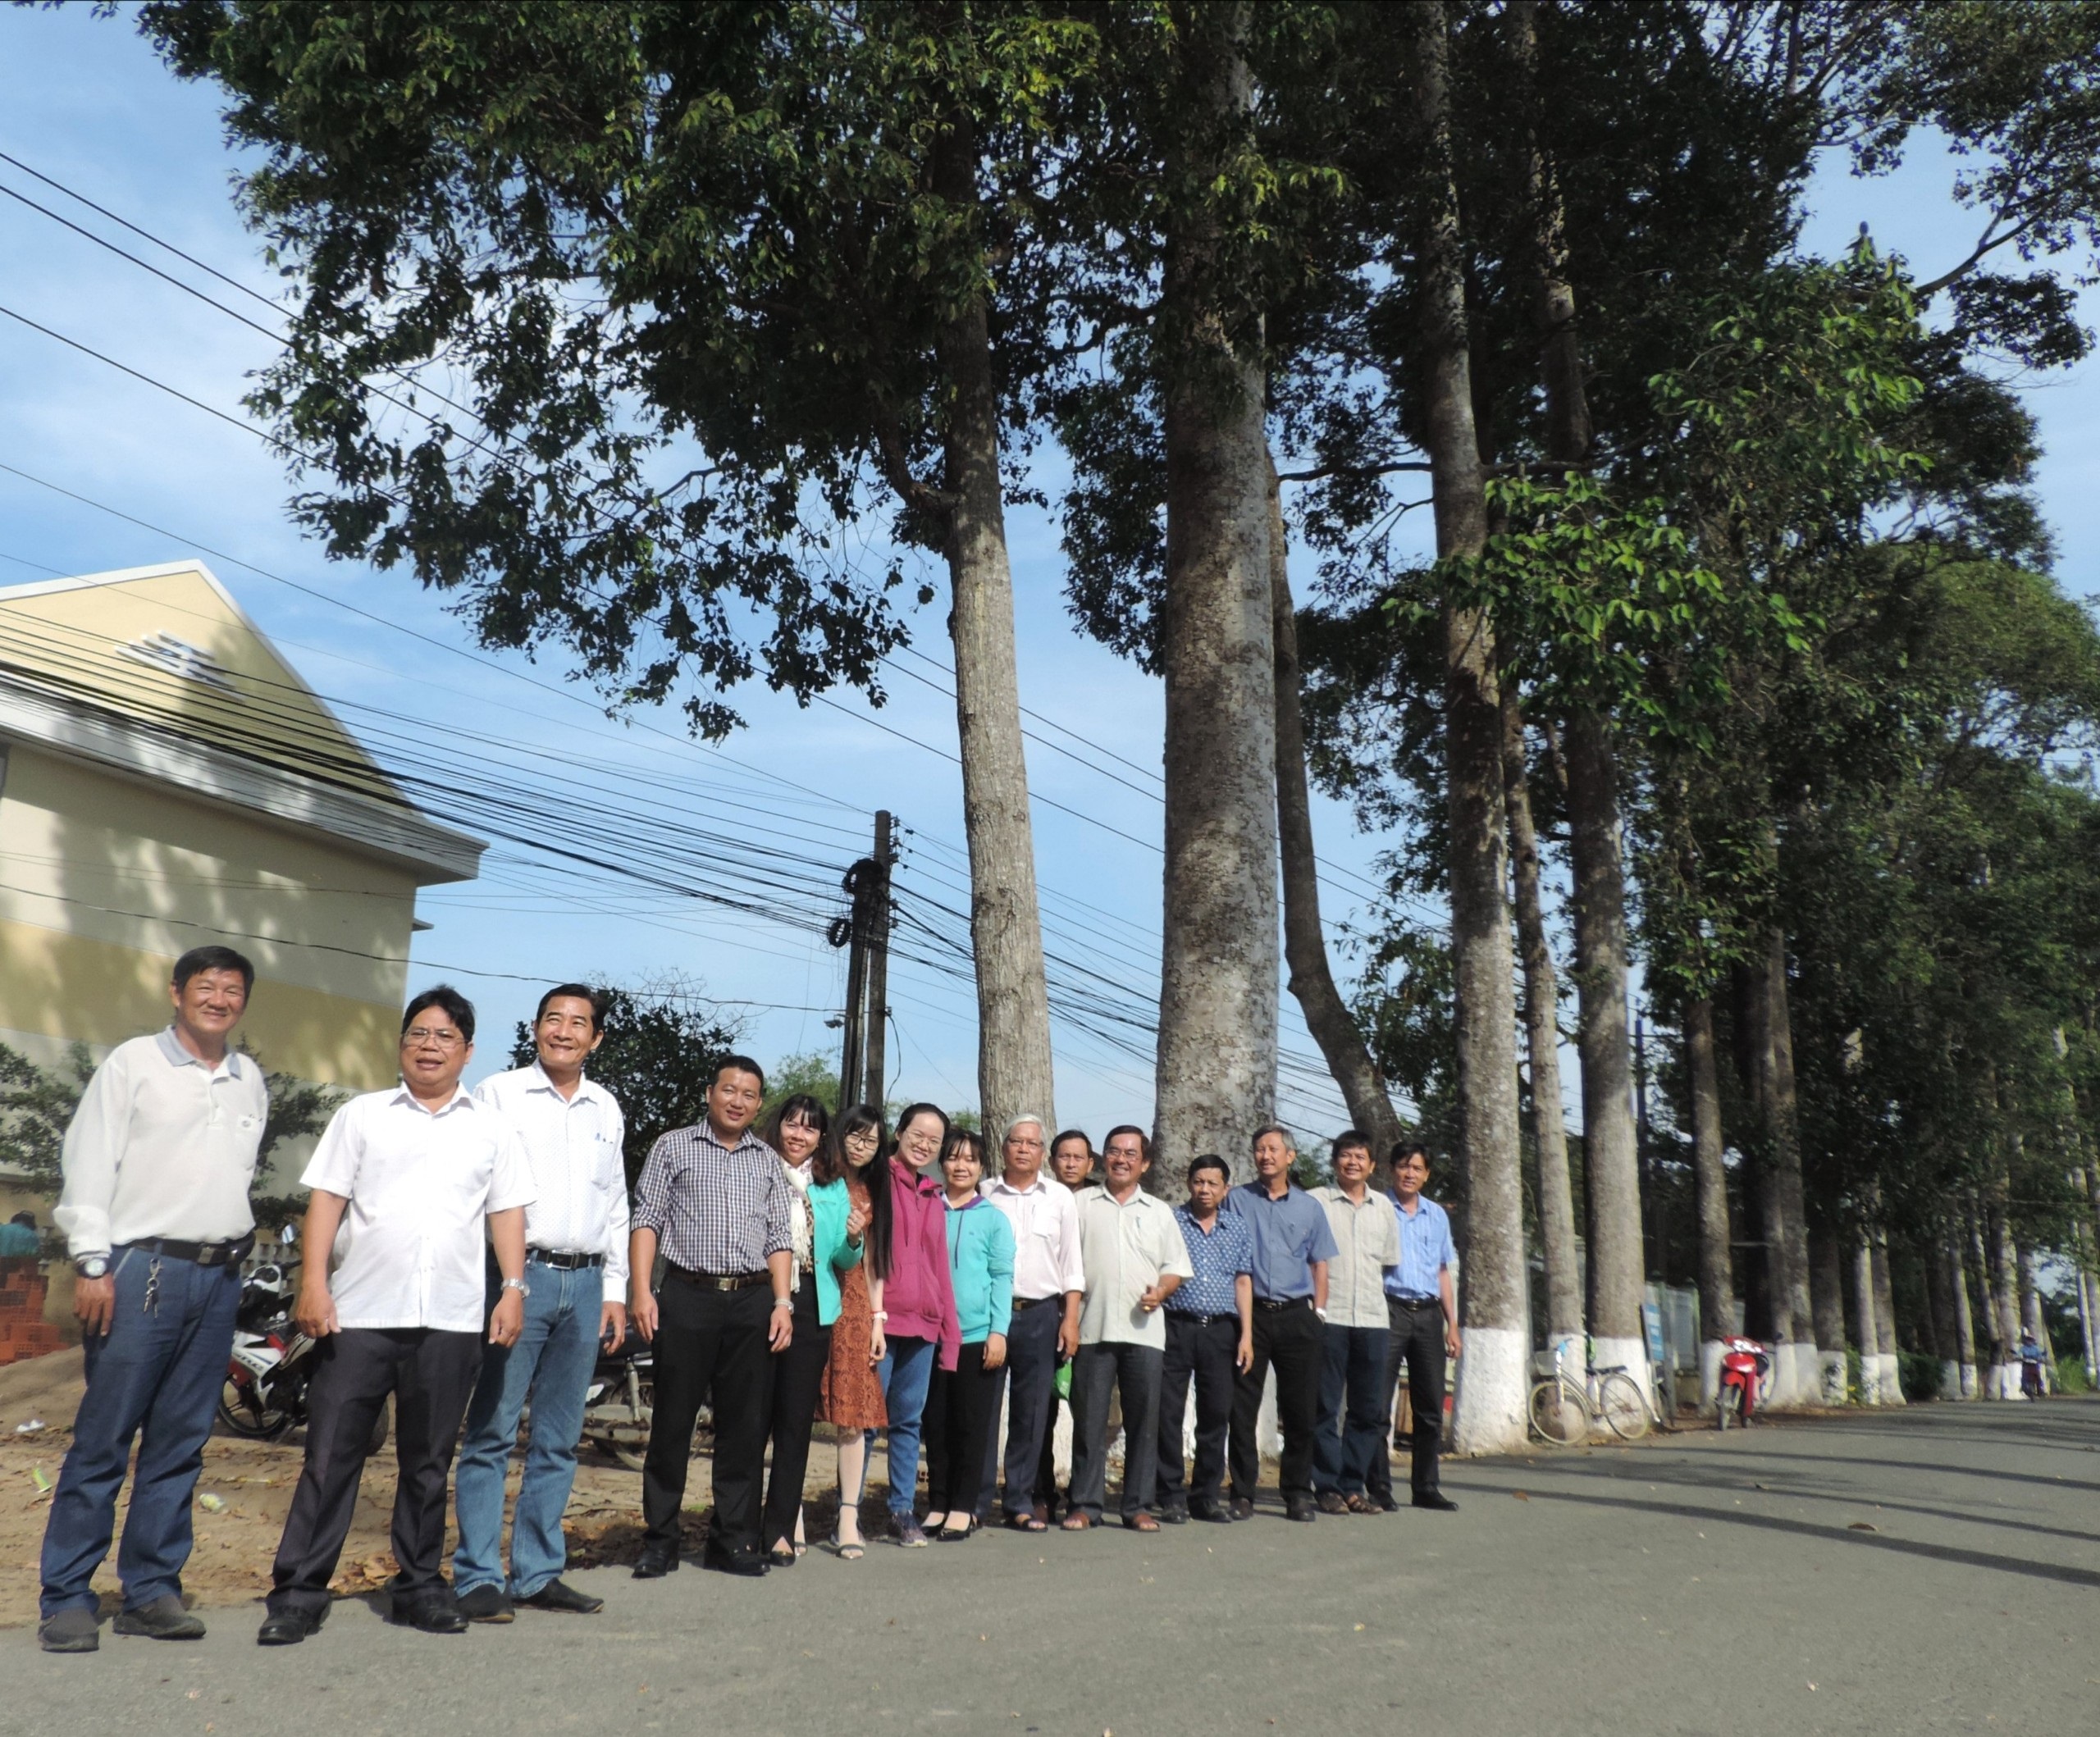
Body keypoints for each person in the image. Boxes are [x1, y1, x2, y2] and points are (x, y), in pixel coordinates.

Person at [261, 986, 535, 1644]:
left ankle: (418, 1585)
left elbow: (506, 1213)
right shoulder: (363, 1116)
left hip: (450, 1316)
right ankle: (299, 1591)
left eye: (445, 1036)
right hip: (358, 1313)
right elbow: (326, 1200)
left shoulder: (492, 1128)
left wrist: (514, 1287)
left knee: (428, 1461)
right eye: (419, 1033)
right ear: (402, 1043)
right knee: (330, 1456)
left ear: (468, 1051)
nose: (429, 1045)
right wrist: (313, 1284)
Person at [38, 946, 267, 1654]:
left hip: (217, 1278)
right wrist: (93, 1261)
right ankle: (67, 1595)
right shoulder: (133, 1064)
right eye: (207, 986)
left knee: (180, 1443)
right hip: (141, 1272)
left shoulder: (247, 1078)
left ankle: (152, 1589)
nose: (219, 999)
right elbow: (89, 1164)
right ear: (177, 992)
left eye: (233, 990)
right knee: (105, 1438)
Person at [452, 984, 628, 1622]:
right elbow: (474, 1185)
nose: (564, 1031)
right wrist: (502, 1283)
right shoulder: (498, 1095)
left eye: (578, 1023)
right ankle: (477, 1575)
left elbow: (615, 1202)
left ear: (596, 1038)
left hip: (584, 1286)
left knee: (559, 1437)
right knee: (493, 1429)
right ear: (535, 1028)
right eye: (553, 1019)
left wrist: (615, 1291)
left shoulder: (606, 1108)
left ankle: (537, 1572)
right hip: (518, 1276)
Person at [627, 1055, 794, 1579]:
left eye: (749, 1094)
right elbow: (647, 1217)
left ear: (758, 1103)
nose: (737, 1101)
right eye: (729, 1090)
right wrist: (641, 1290)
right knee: (673, 1421)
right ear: (710, 1092)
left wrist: (783, 1302)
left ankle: (733, 1541)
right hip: (687, 1295)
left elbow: (778, 1238)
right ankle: (660, 1541)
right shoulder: (674, 1146)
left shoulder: (766, 1159)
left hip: (752, 1301)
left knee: (744, 1426)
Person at [1065, 1126, 1193, 1533]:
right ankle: (1085, 1504)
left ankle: (1138, 1505)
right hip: (1092, 1328)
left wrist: (1163, 1290)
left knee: (1143, 1421)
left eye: (1131, 1153)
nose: (1122, 1159)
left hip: (1145, 1333)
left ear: (1146, 1163)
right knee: (1089, 1422)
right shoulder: (1081, 1204)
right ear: (1102, 1158)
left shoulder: (1159, 1211)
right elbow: (1066, 1264)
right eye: (1114, 1151)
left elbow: (1176, 1267)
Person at [756, 1094, 865, 1564]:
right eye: (792, 1125)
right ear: (777, 1126)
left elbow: (842, 1258)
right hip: (758, 1299)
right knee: (753, 1418)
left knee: (796, 1421)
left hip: (813, 1305)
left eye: (810, 1129)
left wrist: (855, 1237)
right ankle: (743, 1523)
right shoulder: (756, 1167)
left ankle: (783, 1525)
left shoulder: (831, 1184)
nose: (799, 1135)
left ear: (823, 1138)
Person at [1224, 1125, 1337, 1523]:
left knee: (1301, 1410)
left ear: (1290, 1156)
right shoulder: (1237, 1200)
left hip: (1297, 1316)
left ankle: (1296, 1493)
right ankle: (1242, 1492)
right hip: (1251, 1315)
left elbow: (1320, 1262)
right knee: (1242, 1409)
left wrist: (1318, 1313)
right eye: (1259, 1149)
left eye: (1273, 1149)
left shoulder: (1310, 1207)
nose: (1265, 1155)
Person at [981, 1115, 1084, 1532]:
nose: (1024, 1149)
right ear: (1004, 1147)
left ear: (1043, 1153)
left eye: (1032, 1144)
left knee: (1033, 1413)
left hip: (1042, 1313)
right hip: (990, 1314)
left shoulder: (1059, 1197)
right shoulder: (983, 1192)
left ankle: (1020, 1501)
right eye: (1016, 1142)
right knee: (984, 1411)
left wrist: (1070, 1319)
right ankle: (974, 1499)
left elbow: (1071, 1265)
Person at [871, 1104, 961, 1545]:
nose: (924, 1144)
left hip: (924, 1326)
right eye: (917, 1134)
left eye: (934, 1140)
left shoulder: (933, 1195)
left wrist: (950, 1334)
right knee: (866, 1421)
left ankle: (901, 1510)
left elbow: (940, 1267)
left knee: (908, 1422)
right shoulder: (875, 1178)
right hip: (882, 1322)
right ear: (900, 1131)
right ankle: (846, 1512)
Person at [921, 1128, 1013, 1540]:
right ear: (942, 1163)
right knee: (935, 1423)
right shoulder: (928, 1208)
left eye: (970, 1160)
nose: (961, 1166)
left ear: (981, 1168)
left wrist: (999, 1332)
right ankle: (937, 1502)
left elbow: (1002, 1277)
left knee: (971, 1425)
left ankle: (964, 1506)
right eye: (954, 1157)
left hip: (976, 1335)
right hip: (929, 1334)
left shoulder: (993, 1218)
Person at [1157, 1154, 1253, 1524]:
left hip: (1221, 1331)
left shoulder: (1237, 1227)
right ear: (1188, 1183)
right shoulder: (1171, 1221)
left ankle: (1206, 1497)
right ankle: (1169, 1495)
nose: (1205, 1189)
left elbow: (1243, 1281)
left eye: (1213, 1183)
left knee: (1215, 1414)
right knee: (1168, 1413)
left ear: (1226, 1188)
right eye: (1199, 1181)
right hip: (1176, 1326)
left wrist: (1246, 1335)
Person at [1311, 1131, 1401, 1514]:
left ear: (1372, 1165)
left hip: (1372, 1319)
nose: (1353, 1162)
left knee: (1367, 1409)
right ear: (1335, 1163)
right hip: (1329, 1317)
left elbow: (1387, 1261)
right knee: (1325, 1406)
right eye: (1345, 1156)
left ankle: (1353, 1485)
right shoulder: (1316, 1201)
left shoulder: (1383, 1207)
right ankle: (1326, 1485)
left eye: (1360, 1157)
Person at [1372, 1142, 1462, 1513]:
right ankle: (1377, 1486)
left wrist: (1452, 1324)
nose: (1410, 1174)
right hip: (1388, 1309)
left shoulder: (1437, 1215)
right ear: (1392, 1169)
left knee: (1429, 1407)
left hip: (1428, 1315)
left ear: (1426, 1175)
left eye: (1418, 1168)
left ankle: (1426, 1487)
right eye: (1404, 1166)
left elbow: (1443, 1270)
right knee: (1378, 1404)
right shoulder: (1378, 1209)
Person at [818, 1105, 888, 1558]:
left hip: (856, 1309)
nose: (862, 1147)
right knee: (799, 1407)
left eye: (872, 1141)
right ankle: (790, 1519)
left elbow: (875, 1262)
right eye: (855, 1137)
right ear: (839, 1135)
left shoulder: (873, 1191)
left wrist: (878, 1319)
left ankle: (848, 1516)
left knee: (853, 1415)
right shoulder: (816, 1179)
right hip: (811, 1299)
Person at [1028, 1128, 1096, 1521]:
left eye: (1078, 1158)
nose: (1070, 1164)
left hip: (1093, 1321)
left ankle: (1083, 1494)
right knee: (1042, 1411)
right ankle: (1041, 1492)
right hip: (1047, 1317)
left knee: (1088, 1412)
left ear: (1091, 1164)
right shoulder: (1045, 1199)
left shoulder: (1098, 1201)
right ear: (1052, 1160)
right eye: (1063, 1157)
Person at [2020, 1331, 2047, 1400]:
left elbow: (2040, 1355)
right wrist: (2017, 1357)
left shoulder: (2036, 1349)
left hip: (2034, 1364)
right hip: (2026, 1364)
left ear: (2033, 1341)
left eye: (2030, 1340)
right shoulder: (2023, 1348)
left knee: (2038, 1378)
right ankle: (2024, 1389)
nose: (2029, 1341)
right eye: (2028, 1340)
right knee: (2024, 1378)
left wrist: (2042, 1356)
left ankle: (2040, 1391)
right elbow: (2018, 1353)